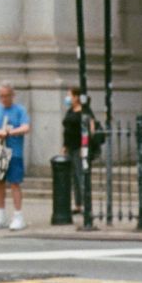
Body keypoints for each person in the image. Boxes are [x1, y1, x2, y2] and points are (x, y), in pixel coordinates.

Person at [0, 82, 30, 230]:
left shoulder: (19, 110)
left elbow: (26, 127)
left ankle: (18, 216)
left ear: (12, 95)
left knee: (15, 183)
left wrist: (11, 132)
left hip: (14, 152)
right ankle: (1, 215)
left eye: (6, 96)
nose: (3, 99)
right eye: (1, 96)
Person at [60, 87, 96, 215]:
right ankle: (78, 204)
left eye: (69, 95)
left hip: (80, 147)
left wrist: (85, 146)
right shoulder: (70, 110)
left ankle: (87, 204)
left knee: (81, 175)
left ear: (76, 97)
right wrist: (64, 146)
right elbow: (67, 129)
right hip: (70, 146)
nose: (68, 98)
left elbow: (91, 129)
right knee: (74, 176)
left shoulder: (85, 111)